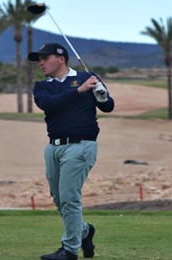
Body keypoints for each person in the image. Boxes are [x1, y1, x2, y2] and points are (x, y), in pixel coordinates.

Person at [28, 43, 115, 260]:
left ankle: (69, 250)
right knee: (59, 198)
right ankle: (84, 231)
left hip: (81, 145)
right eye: (39, 59)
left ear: (61, 58)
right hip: (53, 148)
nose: (40, 63)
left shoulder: (88, 77)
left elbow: (108, 106)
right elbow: (50, 104)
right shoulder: (42, 87)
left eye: (44, 58)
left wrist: (102, 96)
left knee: (69, 198)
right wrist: (79, 90)